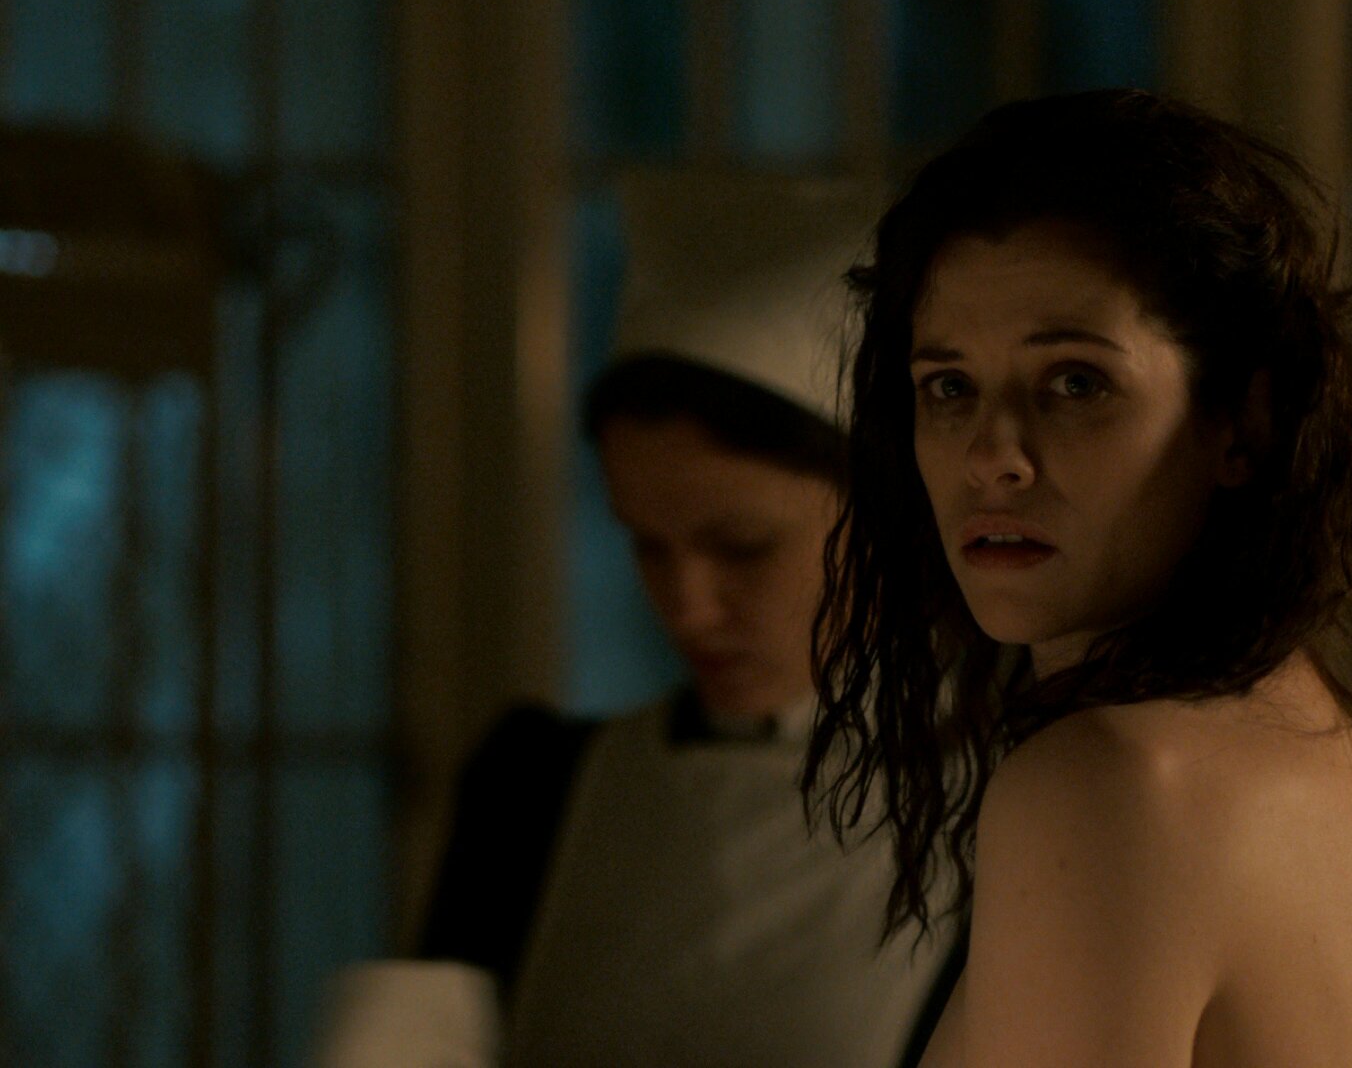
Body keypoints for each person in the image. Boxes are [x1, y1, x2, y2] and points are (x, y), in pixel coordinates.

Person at [805, 90, 1352, 1066]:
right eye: (949, 387)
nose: (993, 457)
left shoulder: (1110, 782)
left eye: (1076, 383)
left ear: (1241, 422)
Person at [313, 171, 955, 1068]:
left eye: (742, 547)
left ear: (892, 514)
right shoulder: (535, 790)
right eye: (648, 545)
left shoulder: (1016, 806)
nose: (686, 605)